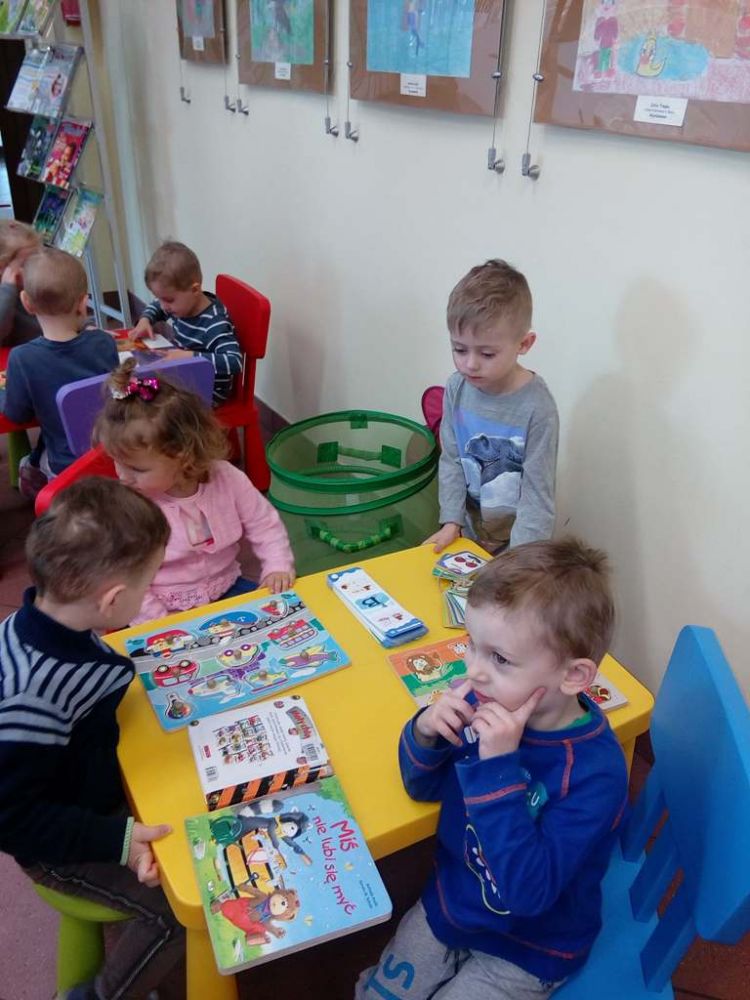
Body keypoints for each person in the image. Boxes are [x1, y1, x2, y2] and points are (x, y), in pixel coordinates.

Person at [357, 537, 629, 1000]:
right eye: (471, 644)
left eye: (500, 658)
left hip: (533, 945)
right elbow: (422, 786)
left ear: (573, 676)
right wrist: (426, 732)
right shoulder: (485, 700)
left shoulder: (595, 774)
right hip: (455, 901)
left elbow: (527, 894)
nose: (474, 671)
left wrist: (498, 767)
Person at [0, 477, 185, 1000]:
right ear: (113, 600)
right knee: (175, 909)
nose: (150, 595)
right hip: (57, 843)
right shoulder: (33, 696)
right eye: (148, 586)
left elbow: (97, 679)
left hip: (85, 785)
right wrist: (116, 841)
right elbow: (14, 820)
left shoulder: (47, 620)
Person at [94, 358, 295, 624]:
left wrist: (277, 566)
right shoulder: (131, 506)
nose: (123, 476)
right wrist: (160, 623)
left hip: (228, 586)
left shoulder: (226, 478)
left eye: (137, 469)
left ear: (183, 455)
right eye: (117, 463)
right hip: (163, 608)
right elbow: (127, 579)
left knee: (284, 620)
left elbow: (264, 523)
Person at [425, 259, 559, 555]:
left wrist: (518, 562)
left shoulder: (538, 408)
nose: (470, 364)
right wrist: (451, 520)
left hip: (519, 546)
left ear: (524, 344)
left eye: (487, 353)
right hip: (467, 536)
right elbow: (452, 460)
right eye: (459, 349)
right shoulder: (456, 388)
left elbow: (537, 498)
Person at [0, 247, 118, 494]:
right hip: (112, 453)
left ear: (26, 302)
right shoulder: (105, 343)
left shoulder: (21, 358)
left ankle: (37, 485)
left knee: (28, 462)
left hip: (63, 466)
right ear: (83, 302)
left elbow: (17, 415)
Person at [131, 240, 242, 404]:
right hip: (184, 377)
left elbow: (234, 361)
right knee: (135, 387)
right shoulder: (181, 305)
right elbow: (157, 307)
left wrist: (190, 356)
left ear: (195, 290)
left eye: (168, 300)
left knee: (150, 405)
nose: (163, 306)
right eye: (159, 298)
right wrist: (145, 319)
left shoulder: (214, 323)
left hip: (207, 391)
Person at [0, 219, 42, 347]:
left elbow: (67, 310)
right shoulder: (6, 296)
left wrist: (86, 325)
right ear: (3, 270)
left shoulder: (40, 285)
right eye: (27, 264)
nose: (38, 268)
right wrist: (8, 289)